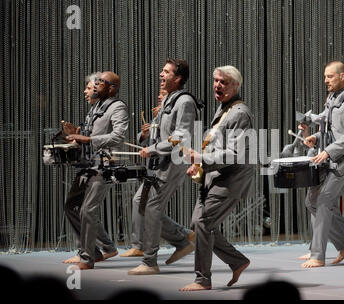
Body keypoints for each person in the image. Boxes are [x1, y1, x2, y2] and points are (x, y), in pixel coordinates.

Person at [179, 66, 253, 291]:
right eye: (216, 81)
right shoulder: (225, 109)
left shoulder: (240, 113)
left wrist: (202, 158)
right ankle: (238, 261)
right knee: (198, 224)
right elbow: (215, 146)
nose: (218, 85)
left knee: (203, 223)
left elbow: (235, 154)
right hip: (216, 176)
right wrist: (199, 164)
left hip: (231, 179)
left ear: (236, 86)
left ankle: (203, 280)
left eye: (224, 82)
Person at [128, 59, 197, 275]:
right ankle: (183, 238)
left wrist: (155, 148)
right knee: (140, 201)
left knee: (151, 207)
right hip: (159, 161)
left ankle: (150, 262)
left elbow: (182, 136)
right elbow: (158, 131)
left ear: (177, 78)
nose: (161, 74)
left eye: (166, 72)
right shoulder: (168, 100)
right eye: (162, 70)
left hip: (173, 161)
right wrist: (147, 141)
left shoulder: (184, 101)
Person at [298, 61, 344, 268]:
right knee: (312, 202)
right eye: (325, 76)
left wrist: (328, 151)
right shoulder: (332, 97)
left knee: (324, 200)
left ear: (342, 76)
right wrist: (316, 139)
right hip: (328, 158)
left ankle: (318, 255)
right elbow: (330, 129)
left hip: (343, 160)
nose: (326, 80)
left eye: (330, 76)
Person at [63, 71, 129, 270]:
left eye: (101, 82)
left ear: (112, 88)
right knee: (71, 206)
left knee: (88, 210)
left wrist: (89, 140)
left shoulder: (118, 107)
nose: (96, 85)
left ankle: (87, 258)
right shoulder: (96, 107)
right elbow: (89, 134)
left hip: (103, 166)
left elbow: (118, 136)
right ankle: (98, 251)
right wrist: (76, 134)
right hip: (87, 164)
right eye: (97, 81)